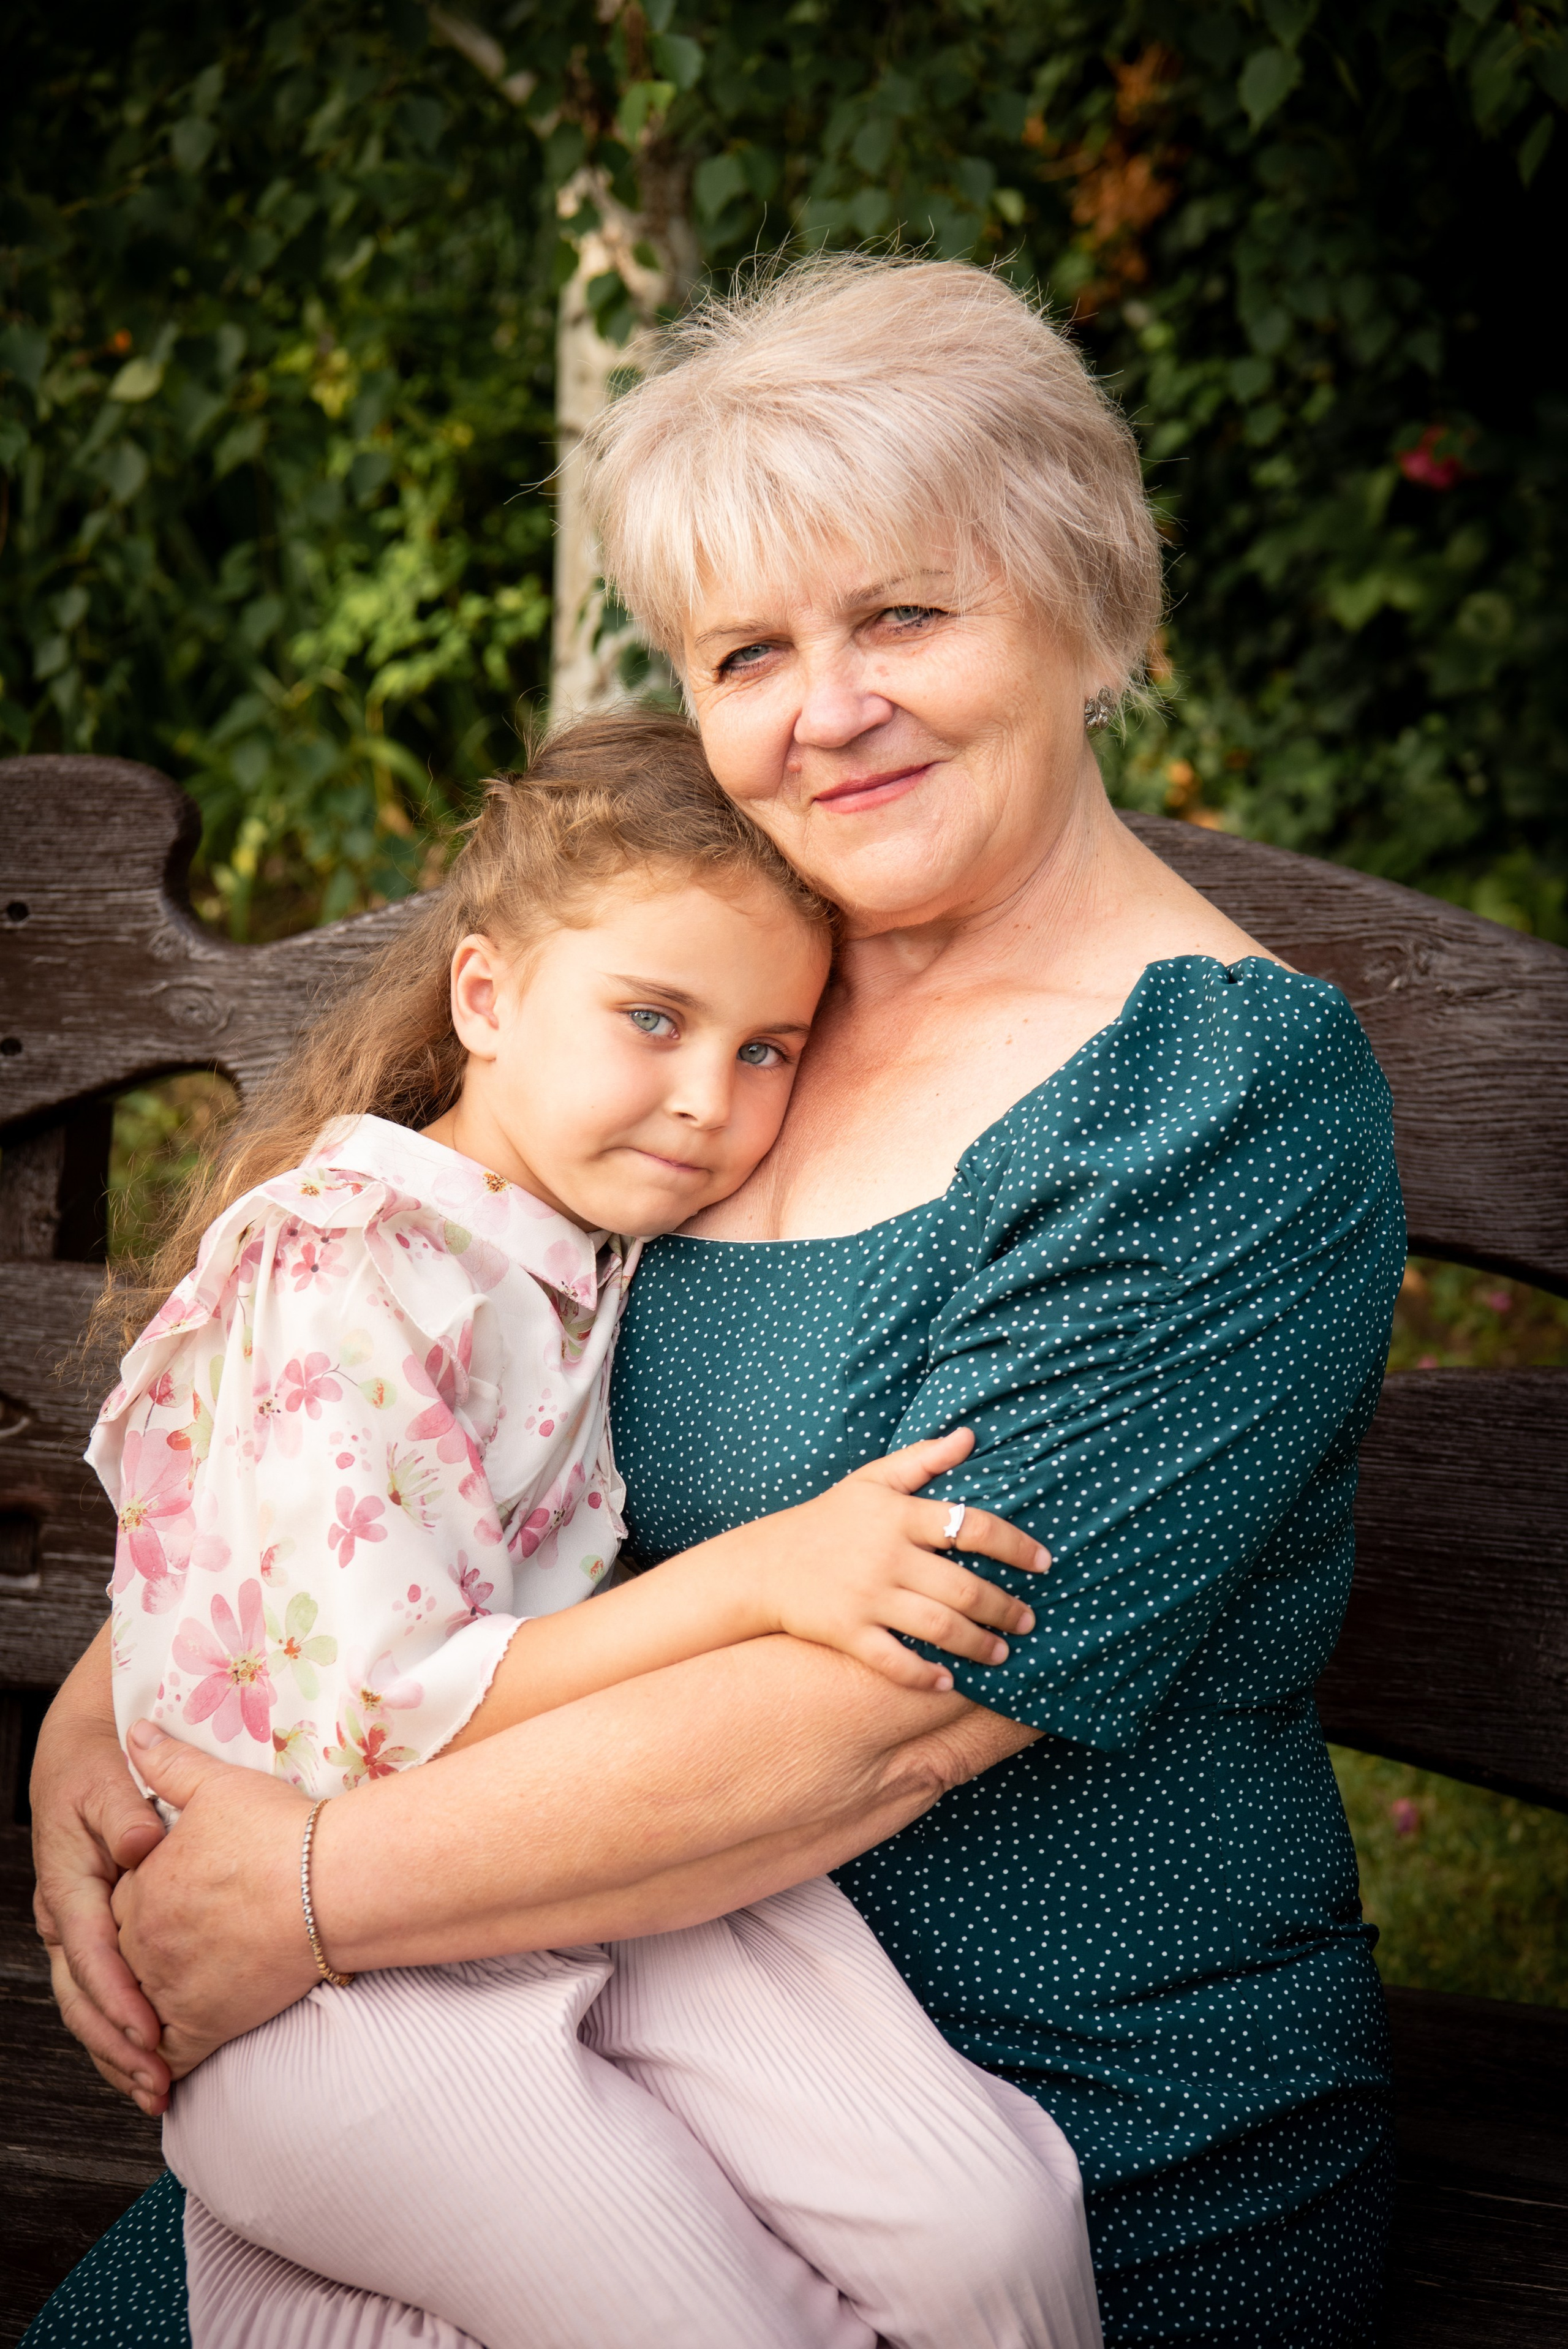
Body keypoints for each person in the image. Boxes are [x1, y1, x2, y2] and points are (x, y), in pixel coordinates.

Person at [29, 255, 1404, 2349]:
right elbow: (390, 1388)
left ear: (1088, 604)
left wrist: (296, 1897)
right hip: (556, 2017)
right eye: (748, 649)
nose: (823, 708)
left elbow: (876, 1717)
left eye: (904, 616)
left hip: (1035, 2115)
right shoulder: (723, 1015)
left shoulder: (1209, 1101)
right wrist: (116, 1703)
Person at [89, 711, 1098, 2349]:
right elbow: (376, 1707)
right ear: (486, 997)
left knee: (995, 2231)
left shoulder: (589, 1246)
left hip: (569, 1861)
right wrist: (762, 1573)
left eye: (768, 1046)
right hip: (323, 1961)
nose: (710, 1098)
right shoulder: (351, 1263)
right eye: (654, 1017)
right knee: (720, 2316)